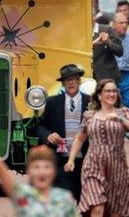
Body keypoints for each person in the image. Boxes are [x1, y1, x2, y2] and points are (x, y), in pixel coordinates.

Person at [0, 104, 78, 217]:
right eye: (37, 167)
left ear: (53, 171)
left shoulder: (65, 199)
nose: (42, 172)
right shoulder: (22, 194)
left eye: (46, 167)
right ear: (29, 171)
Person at [64, 78, 129, 216]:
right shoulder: (89, 115)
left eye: (114, 91)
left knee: (115, 211)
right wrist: (71, 160)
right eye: (108, 91)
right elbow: (80, 138)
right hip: (93, 164)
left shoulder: (124, 112)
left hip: (117, 166)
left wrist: (121, 120)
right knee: (97, 207)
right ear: (99, 95)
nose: (112, 94)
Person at [36, 64, 90, 202]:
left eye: (74, 79)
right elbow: (39, 126)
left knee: (82, 196)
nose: (71, 82)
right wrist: (48, 135)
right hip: (60, 159)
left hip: (85, 159)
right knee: (64, 196)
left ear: (79, 81)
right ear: (63, 83)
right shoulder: (52, 102)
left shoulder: (90, 102)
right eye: (67, 80)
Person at [92, 0, 123, 83]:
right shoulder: (79, 31)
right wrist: (93, 43)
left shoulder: (106, 29)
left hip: (106, 78)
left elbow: (120, 51)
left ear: (94, 17)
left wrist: (108, 42)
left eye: (91, 16)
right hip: (86, 79)